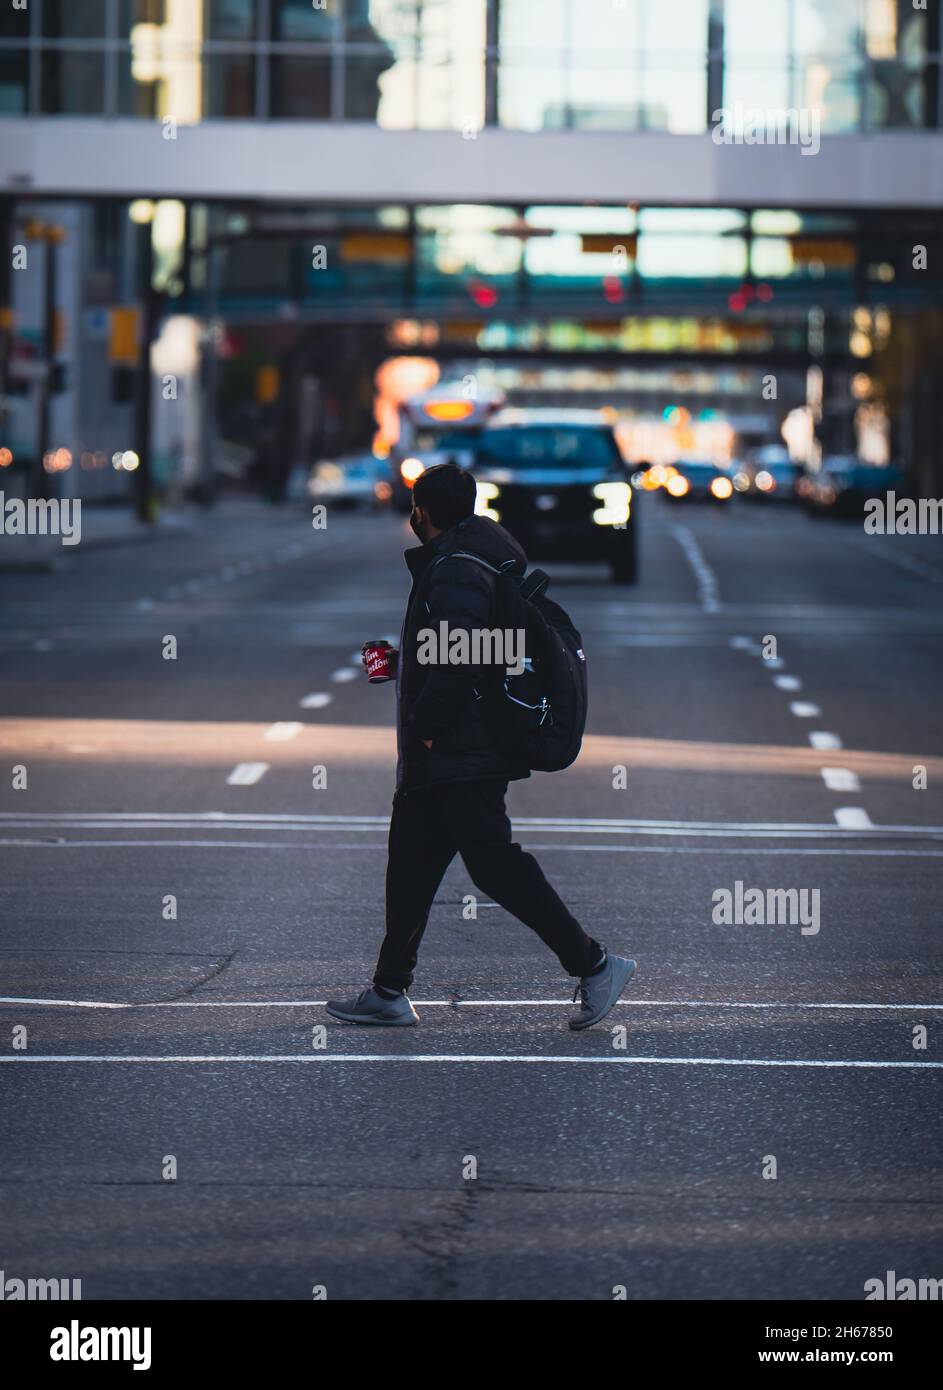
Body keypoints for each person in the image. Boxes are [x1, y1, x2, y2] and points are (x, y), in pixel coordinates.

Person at [326, 463, 636, 1031]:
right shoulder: (471, 557)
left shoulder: (458, 570)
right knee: (411, 869)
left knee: (495, 867)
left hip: (459, 752)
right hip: (449, 753)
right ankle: (389, 989)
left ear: (424, 513)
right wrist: (403, 664)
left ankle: (595, 964)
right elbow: (464, 648)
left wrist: (425, 722)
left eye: (414, 508)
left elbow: (462, 657)